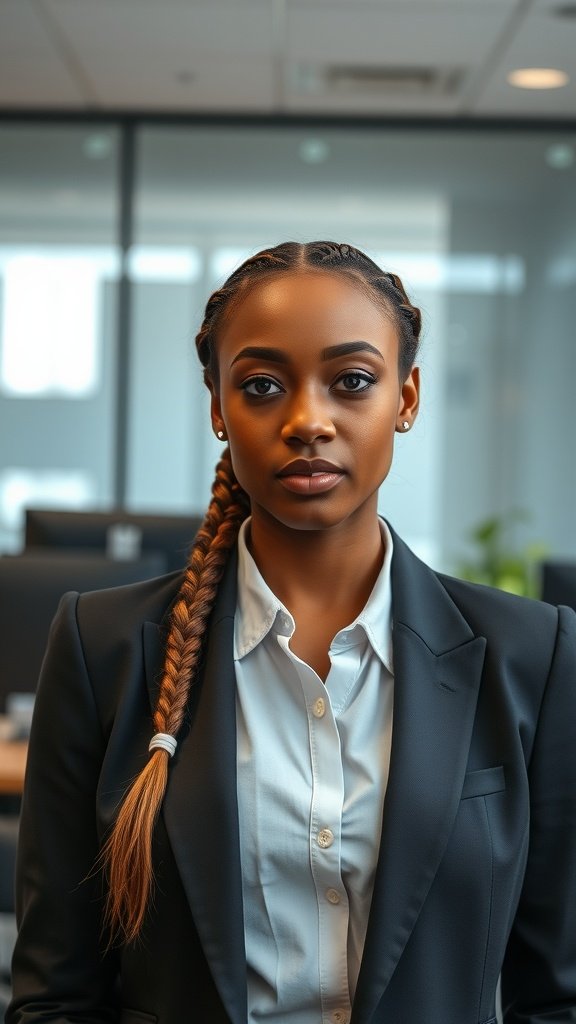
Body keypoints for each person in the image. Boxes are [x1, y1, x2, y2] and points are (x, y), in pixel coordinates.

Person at [7, 241, 576, 1024]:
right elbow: (55, 996)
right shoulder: (100, 647)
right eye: (263, 385)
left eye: (352, 381)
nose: (308, 420)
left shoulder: (531, 655)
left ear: (406, 399)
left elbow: (558, 996)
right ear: (218, 409)